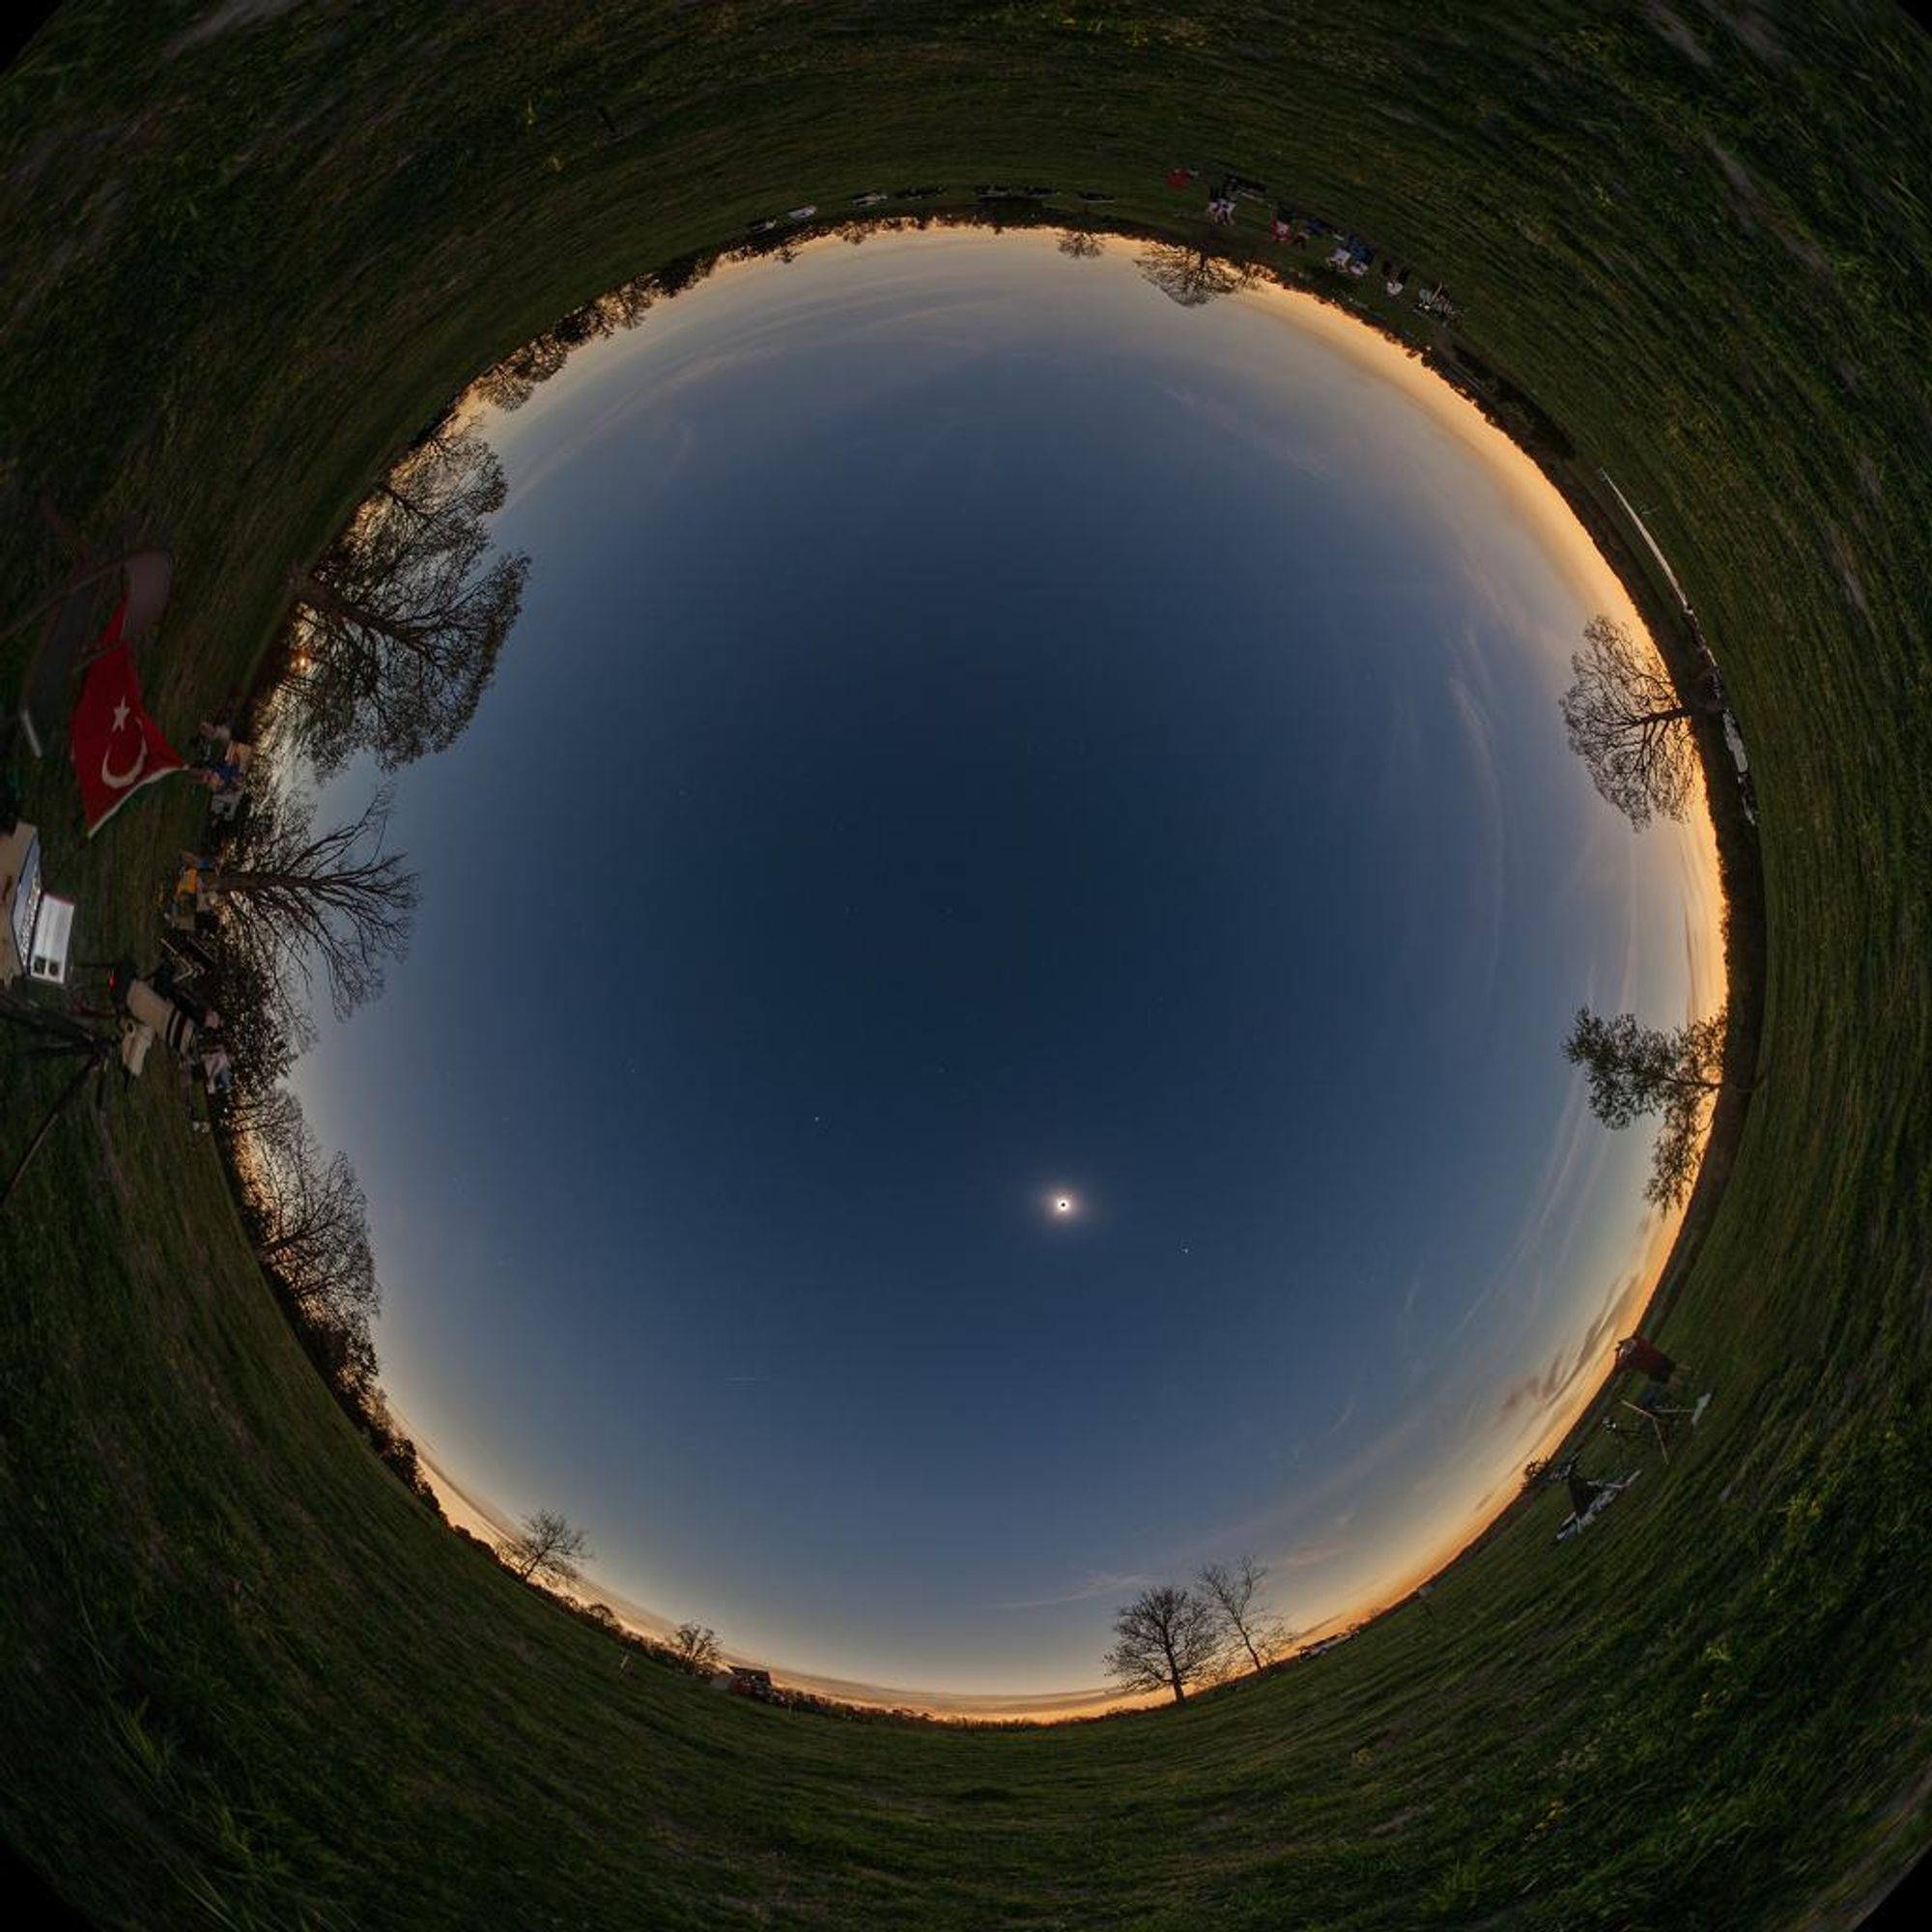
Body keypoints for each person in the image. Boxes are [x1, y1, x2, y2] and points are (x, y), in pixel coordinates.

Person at [1615, 1335, 1692, 1387]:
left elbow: (1619, 1367)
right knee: (1674, 1366)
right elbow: (1635, 1337)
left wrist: (1618, 1354)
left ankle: (1684, 1386)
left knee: (1667, 1378)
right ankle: (1690, 1371)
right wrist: (1623, 1343)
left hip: (1653, 1369)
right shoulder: (1641, 1343)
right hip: (1659, 1357)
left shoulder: (1631, 1358)